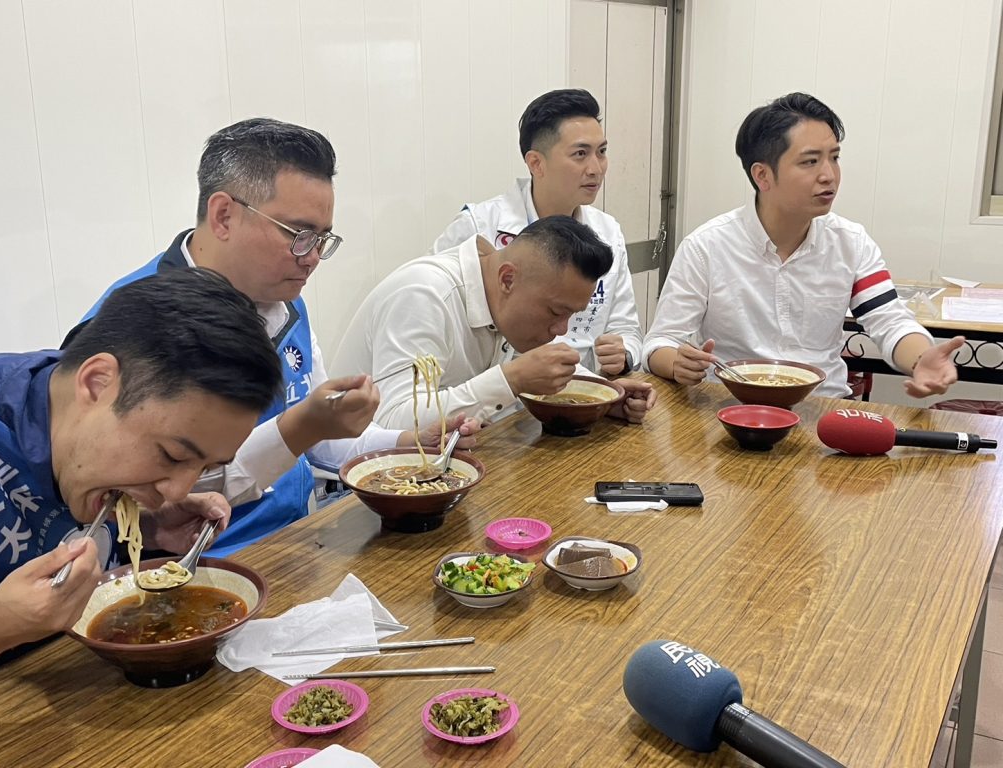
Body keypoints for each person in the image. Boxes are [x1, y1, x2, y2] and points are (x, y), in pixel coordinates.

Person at [69, 119, 478, 556]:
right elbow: (133, 498)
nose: (313, 257)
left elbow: (323, 442)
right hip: (197, 560)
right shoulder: (132, 326)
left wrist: (408, 444)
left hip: (298, 537)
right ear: (223, 216)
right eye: (299, 235)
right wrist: (299, 427)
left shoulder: (283, 302)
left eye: (323, 238)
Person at [0, 269, 283, 671]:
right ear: (96, 383)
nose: (178, 491)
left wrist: (143, 528)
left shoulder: (83, 441)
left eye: (206, 467)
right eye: (172, 455)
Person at [643, 92, 962, 398]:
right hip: (729, 409)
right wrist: (677, 363)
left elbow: (889, 320)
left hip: (821, 406)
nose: (829, 175)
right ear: (762, 175)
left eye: (834, 158)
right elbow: (660, 341)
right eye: (810, 162)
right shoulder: (706, 247)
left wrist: (921, 359)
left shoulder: (851, 244)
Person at [332, 216, 657, 430]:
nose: (562, 329)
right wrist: (511, 379)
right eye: (556, 311)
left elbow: (535, 365)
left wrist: (602, 396)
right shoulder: (424, 295)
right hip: (353, 489)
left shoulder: (502, 296)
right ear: (507, 279)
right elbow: (393, 422)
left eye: (572, 315)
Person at [430, 88, 643, 376]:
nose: (596, 168)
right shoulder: (478, 226)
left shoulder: (607, 232)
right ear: (536, 163)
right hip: (498, 394)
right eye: (580, 154)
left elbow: (627, 328)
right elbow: (434, 310)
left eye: (602, 152)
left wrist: (624, 353)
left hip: (583, 391)